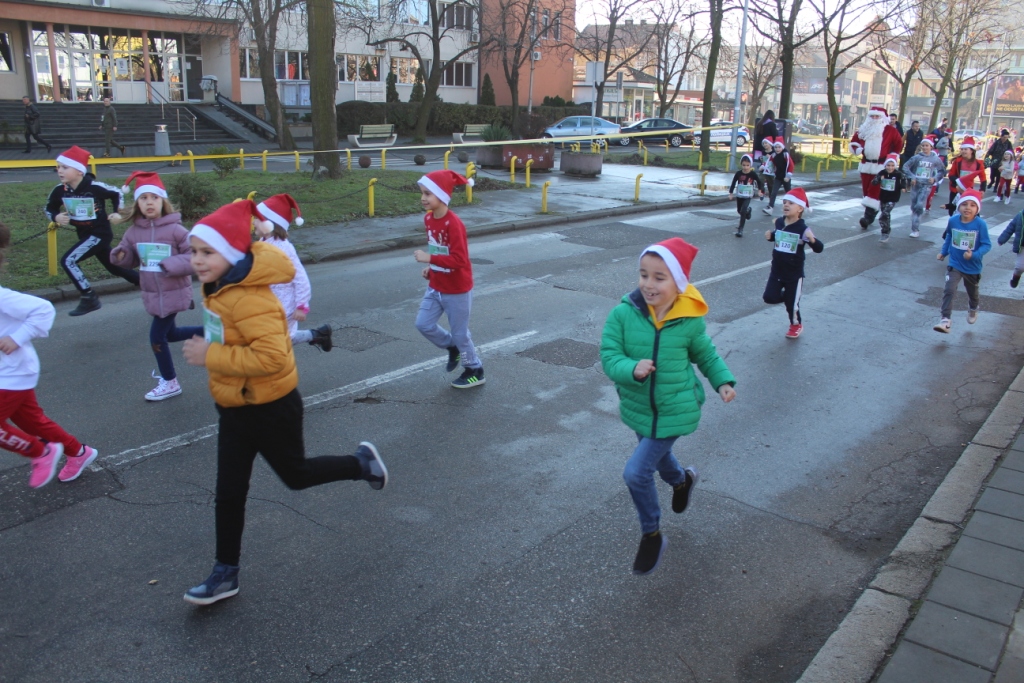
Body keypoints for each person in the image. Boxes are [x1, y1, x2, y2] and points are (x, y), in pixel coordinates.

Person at [180, 200, 389, 606]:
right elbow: (232, 337)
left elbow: (272, 358)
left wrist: (211, 355)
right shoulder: (218, 290)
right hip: (234, 408)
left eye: (207, 252)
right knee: (229, 492)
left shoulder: (250, 298)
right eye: (194, 251)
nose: (197, 260)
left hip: (271, 408)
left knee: (297, 476)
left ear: (233, 255)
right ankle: (225, 572)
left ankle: (360, 464)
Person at [599, 237, 736, 575]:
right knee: (658, 460)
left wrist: (722, 381)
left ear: (679, 283)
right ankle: (681, 480)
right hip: (639, 406)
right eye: (643, 274)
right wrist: (631, 368)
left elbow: (706, 354)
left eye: (659, 277)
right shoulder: (623, 314)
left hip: (676, 408)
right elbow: (609, 356)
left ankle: (652, 534)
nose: (648, 284)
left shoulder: (689, 321)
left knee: (636, 472)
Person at [0, 221, 100, 488]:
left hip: (12, 372)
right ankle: (78, 452)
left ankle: (40, 452)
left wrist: (16, 338)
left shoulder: (2, 297)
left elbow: (43, 309)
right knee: (34, 423)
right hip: (10, 373)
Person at [110, 171, 200, 401]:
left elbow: (194, 256)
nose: (149, 202)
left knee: (157, 338)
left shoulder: (176, 230)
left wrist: (170, 264)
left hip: (174, 293)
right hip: (152, 294)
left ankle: (170, 381)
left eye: (154, 197)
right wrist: (120, 256)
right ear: (137, 204)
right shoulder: (134, 231)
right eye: (143, 198)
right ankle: (216, 332)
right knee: (171, 334)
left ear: (163, 201)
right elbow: (130, 258)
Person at [45, 145, 139, 316]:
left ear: (79, 171)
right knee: (115, 268)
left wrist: (118, 212)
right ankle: (151, 285)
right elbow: (49, 208)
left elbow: (116, 193)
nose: (60, 171)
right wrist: (56, 217)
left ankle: (89, 297)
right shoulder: (60, 190)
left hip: (100, 233)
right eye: (58, 167)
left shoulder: (94, 187)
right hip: (84, 234)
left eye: (65, 167)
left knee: (68, 260)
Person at [412, 170, 484, 389]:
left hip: (457, 289)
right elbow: (440, 250)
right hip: (436, 284)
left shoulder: (454, 224)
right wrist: (432, 267)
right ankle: (452, 346)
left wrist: (430, 258)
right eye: (422, 193)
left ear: (442, 195)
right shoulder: (428, 218)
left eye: (428, 193)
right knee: (423, 324)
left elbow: (460, 259)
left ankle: (474, 369)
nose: (423, 198)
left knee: (461, 334)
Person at [254, 193, 332, 352]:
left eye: (257, 218)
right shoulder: (263, 243)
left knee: (275, 341)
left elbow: (300, 279)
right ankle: (318, 335)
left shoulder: (283, 249)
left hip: (284, 305)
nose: (253, 221)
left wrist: (301, 306)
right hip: (267, 303)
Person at [762, 188, 824, 338]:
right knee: (769, 297)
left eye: (791, 203)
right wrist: (771, 236)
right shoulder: (779, 222)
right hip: (777, 270)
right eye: (784, 202)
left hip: (794, 274)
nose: (786, 205)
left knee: (792, 306)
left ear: (800, 209)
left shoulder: (803, 229)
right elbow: (778, 236)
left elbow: (819, 248)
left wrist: (812, 239)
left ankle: (796, 324)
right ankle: (789, 297)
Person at [933, 189, 990, 333]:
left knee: (972, 292)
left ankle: (973, 308)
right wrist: (943, 252)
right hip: (955, 263)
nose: (968, 208)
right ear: (959, 206)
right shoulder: (953, 221)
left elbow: (986, 245)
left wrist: (974, 255)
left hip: (972, 266)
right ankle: (945, 320)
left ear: (977, 209)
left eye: (972, 205)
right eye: (964, 204)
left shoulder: (980, 224)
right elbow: (949, 236)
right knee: (949, 289)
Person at [849, 106, 905, 229]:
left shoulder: (890, 130)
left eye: (877, 116)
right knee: (866, 191)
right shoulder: (864, 129)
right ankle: (872, 212)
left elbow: (898, 144)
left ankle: (868, 217)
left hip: (881, 166)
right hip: (866, 165)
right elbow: (853, 142)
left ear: (882, 118)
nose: (874, 118)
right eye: (872, 116)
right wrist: (857, 149)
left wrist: (892, 158)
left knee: (874, 190)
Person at [902, 136, 946, 238]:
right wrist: (912, 177)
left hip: (926, 185)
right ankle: (915, 221)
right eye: (923, 146)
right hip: (916, 184)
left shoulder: (935, 159)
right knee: (914, 206)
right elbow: (905, 167)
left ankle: (915, 229)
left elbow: (942, 171)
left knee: (919, 205)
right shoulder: (917, 158)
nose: (925, 147)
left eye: (927, 146)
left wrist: (934, 179)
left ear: (931, 147)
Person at [945, 137, 986, 217]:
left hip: (968, 190)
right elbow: (951, 175)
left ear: (971, 150)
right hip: (956, 189)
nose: (963, 151)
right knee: (952, 211)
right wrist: (959, 182)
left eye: (965, 149)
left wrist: (982, 190)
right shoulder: (958, 161)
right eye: (962, 149)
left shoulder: (978, 163)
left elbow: (983, 178)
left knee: (971, 211)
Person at [872, 153, 907, 243]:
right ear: (885, 165)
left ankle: (885, 233)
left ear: (895, 166)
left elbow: (904, 179)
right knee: (886, 215)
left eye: (892, 165)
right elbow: (873, 182)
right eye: (888, 165)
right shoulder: (882, 173)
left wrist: (903, 187)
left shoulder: (898, 174)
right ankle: (886, 229)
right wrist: (879, 179)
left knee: (884, 214)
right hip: (883, 197)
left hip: (893, 198)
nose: (890, 168)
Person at [728, 154, 765, 237]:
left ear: (750, 165)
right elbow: (733, 183)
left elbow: (759, 182)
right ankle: (748, 211)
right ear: (741, 164)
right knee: (739, 211)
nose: (745, 167)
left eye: (747, 165)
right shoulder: (738, 173)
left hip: (748, 195)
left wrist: (760, 191)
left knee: (743, 211)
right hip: (740, 195)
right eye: (744, 165)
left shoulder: (752, 174)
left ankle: (740, 229)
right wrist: (731, 193)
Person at [763, 137, 794, 216]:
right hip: (778, 177)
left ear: (782, 147)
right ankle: (770, 207)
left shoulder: (785, 154)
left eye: (779, 147)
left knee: (788, 193)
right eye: (776, 147)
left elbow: (791, 165)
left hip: (785, 177)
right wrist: (763, 166)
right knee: (774, 192)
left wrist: (788, 176)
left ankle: (793, 207)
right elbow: (769, 163)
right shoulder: (773, 155)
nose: (777, 149)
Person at [997, 205, 1024, 290]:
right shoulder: (1020, 216)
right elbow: (1010, 228)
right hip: (1023, 246)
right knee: (1020, 267)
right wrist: (1002, 239)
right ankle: (1016, 276)